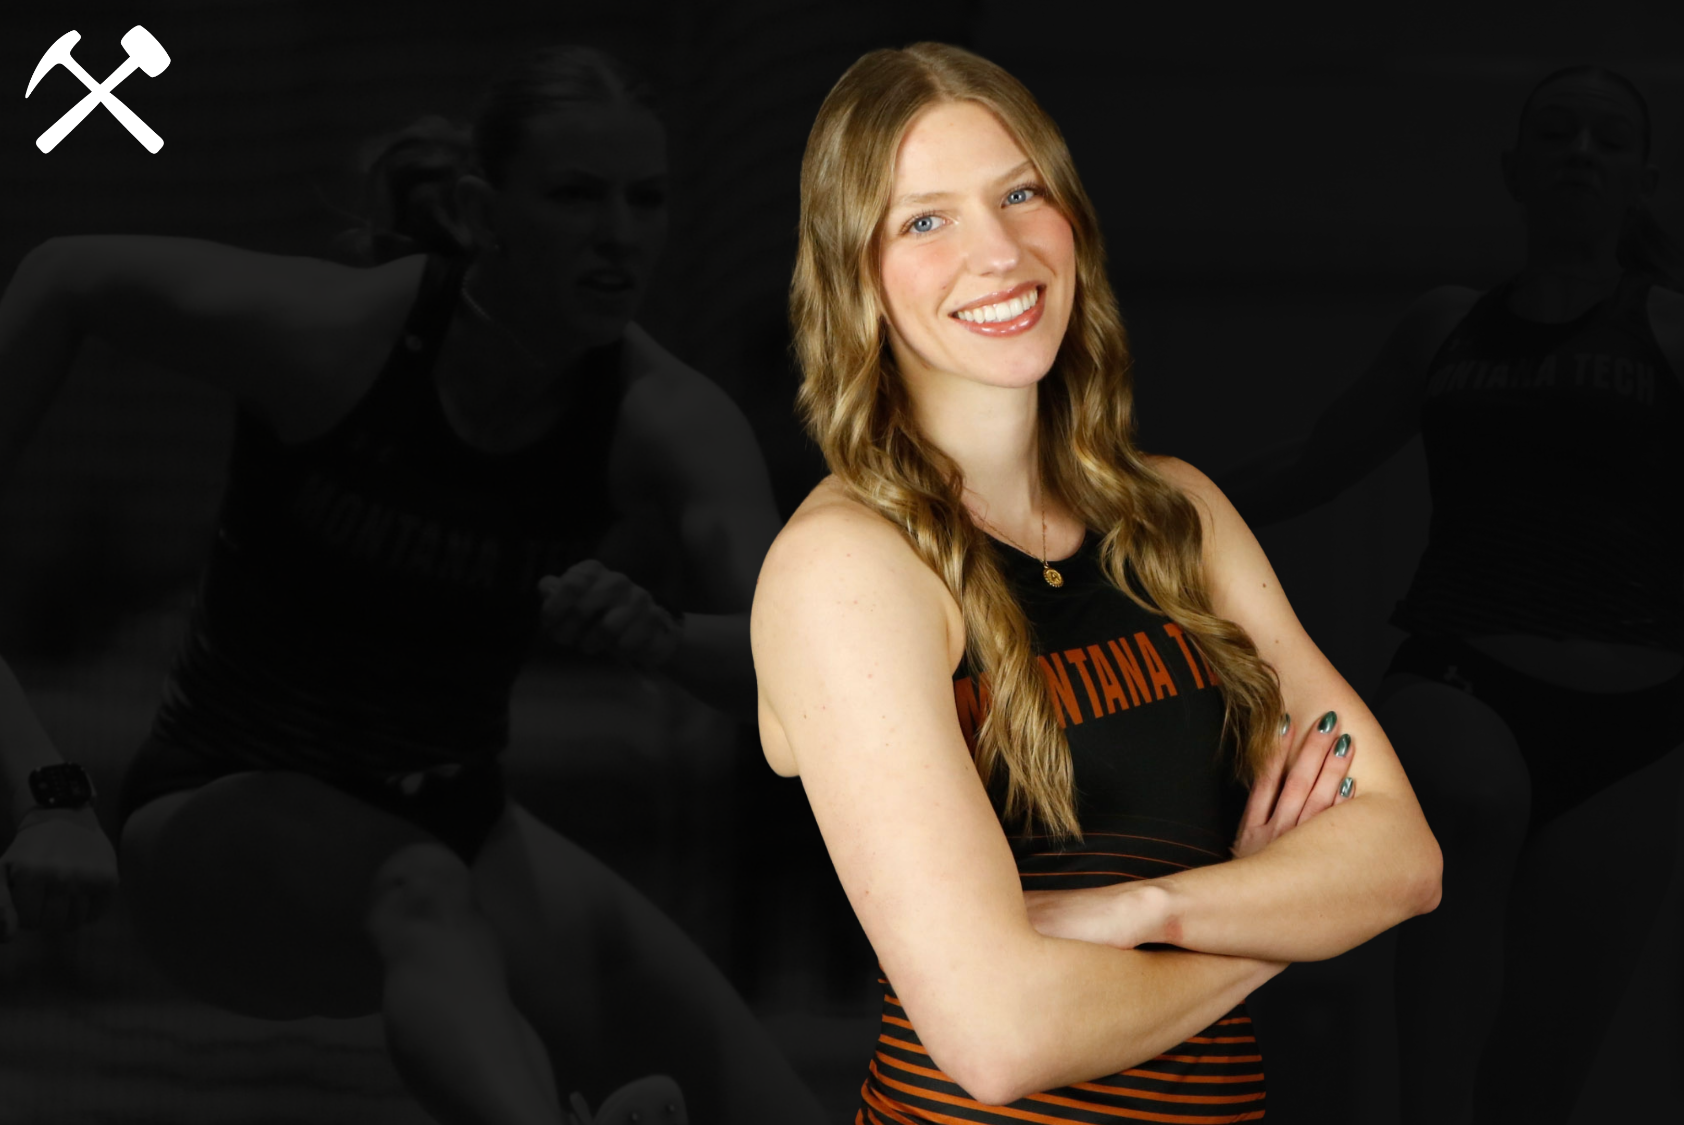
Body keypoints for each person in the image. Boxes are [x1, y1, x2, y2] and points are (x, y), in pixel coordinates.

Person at [0, 45, 828, 1125]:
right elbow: (70, 270)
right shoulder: (334, 340)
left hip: (457, 823)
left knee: (759, 1102)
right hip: (215, 830)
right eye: (577, 198)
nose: (620, 235)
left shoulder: (662, 418)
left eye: (647, 198)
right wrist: (47, 802)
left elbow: (797, 677)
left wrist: (668, 640)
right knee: (420, 894)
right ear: (483, 214)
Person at [752, 42, 1444, 1123]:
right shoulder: (848, 568)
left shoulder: (1177, 515)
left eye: (1019, 192)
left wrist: (1148, 909)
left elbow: (1400, 857)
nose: (997, 252)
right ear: (854, 272)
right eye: (924, 220)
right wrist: (1270, 917)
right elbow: (997, 1036)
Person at [1218, 65, 1684, 1124]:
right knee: (1469, 798)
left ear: (1641, 179)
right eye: (1554, 135)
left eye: (1603, 140)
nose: (1577, 154)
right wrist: (1136, 505)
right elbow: (1311, 464)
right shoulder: (1443, 327)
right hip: (1458, 669)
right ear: (1514, 171)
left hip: (1628, 729)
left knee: (1537, 1081)